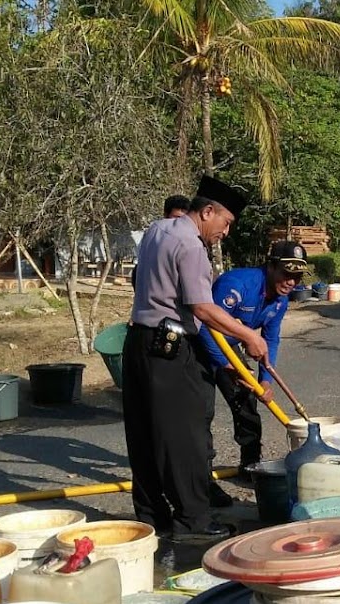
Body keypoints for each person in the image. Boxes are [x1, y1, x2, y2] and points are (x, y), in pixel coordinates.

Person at [122, 176, 267, 542]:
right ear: (206, 212)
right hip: (168, 349)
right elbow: (202, 308)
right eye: (226, 223)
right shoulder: (190, 246)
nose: (226, 232)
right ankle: (194, 522)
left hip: (138, 342)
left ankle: (154, 517)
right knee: (184, 438)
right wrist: (248, 334)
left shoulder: (157, 229)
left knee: (145, 435)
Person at [198, 241, 308, 475]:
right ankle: (202, 478)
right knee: (201, 412)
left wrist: (265, 380)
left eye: (297, 277)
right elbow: (205, 328)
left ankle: (250, 465)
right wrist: (230, 367)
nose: (291, 282)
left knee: (247, 400)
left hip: (229, 348)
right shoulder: (237, 285)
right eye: (287, 274)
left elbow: (271, 340)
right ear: (270, 266)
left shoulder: (281, 299)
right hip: (198, 347)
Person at [129, 195, 189, 290]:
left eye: (183, 219)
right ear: (165, 215)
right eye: (175, 218)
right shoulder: (153, 234)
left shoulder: (188, 239)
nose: (179, 223)